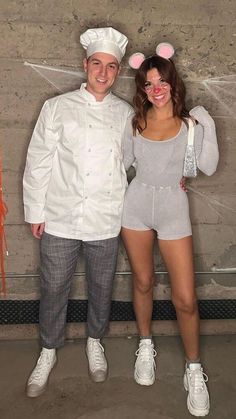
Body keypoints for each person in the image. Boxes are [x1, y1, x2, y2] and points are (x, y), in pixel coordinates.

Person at [23, 26, 133, 397]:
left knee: (102, 287)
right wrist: (36, 210)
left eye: (112, 66)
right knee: (54, 287)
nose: (103, 73)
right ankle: (49, 349)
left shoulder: (126, 114)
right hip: (60, 215)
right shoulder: (57, 108)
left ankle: (94, 342)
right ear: (85, 64)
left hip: (106, 216)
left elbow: (136, 163)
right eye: (97, 64)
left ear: (118, 72)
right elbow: (39, 161)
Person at [121, 43, 219, 417]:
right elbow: (121, 165)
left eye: (162, 81)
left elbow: (208, 166)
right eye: (149, 84)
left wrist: (206, 121)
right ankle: (145, 344)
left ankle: (194, 370)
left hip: (173, 209)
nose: (156, 88)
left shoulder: (190, 124)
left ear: (172, 83)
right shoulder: (134, 122)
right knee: (143, 281)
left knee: (185, 299)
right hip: (135, 208)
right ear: (142, 89)